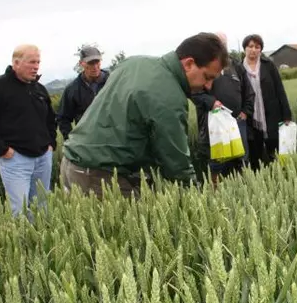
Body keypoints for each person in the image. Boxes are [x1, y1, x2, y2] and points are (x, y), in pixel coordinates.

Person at [60, 32, 228, 198]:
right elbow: (176, 162)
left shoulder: (134, 63)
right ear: (189, 64)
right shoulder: (169, 95)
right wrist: (196, 199)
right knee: (133, 223)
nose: (208, 86)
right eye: (207, 77)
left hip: (71, 163)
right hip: (98, 175)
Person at [0, 44, 57, 216]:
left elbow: (50, 118)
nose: (36, 66)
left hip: (43, 157)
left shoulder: (39, 89)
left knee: (43, 206)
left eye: (38, 62)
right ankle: (24, 243)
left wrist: (51, 143)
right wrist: (2, 150)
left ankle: (43, 239)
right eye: (31, 62)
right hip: (16, 160)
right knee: (20, 210)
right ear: (16, 63)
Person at [191, 33, 254, 184]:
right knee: (217, 160)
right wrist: (211, 102)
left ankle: (244, 189)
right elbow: (194, 92)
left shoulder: (236, 66)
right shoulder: (203, 66)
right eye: (217, 44)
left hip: (237, 122)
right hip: (215, 123)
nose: (221, 47)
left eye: (223, 44)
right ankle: (216, 194)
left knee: (242, 159)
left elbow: (249, 92)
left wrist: (245, 112)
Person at [241, 34, 293, 170]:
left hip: (271, 113)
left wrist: (286, 114)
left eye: (257, 47)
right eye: (250, 46)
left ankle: (280, 174)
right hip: (251, 117)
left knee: (275, 149)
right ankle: (259, 178)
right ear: (244, 48)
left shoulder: (268, 65)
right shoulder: (239, 68)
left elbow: (280, 89)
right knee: (255, 153)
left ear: (261, 50)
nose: (253, 50)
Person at [57, 45, 110, 140]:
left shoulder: (113, 82)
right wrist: (71, 141)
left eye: (97, 62)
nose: (94, 66)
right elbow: (63, 118)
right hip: (87, 142)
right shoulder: (72, 89)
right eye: (90, 63)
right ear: (81, 63)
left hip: (113, 140)